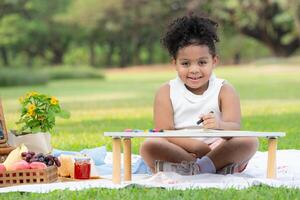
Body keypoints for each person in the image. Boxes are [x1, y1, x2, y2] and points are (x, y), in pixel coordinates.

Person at [139, 15, 258, 175]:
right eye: (185, 63)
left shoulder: (224, 89)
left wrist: (219, 125)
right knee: (149, 145)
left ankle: (198, 168)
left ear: (214, 61)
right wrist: (196, 147)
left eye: (202, 62)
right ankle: (209, 167)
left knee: (249, 141)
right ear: (174, 63)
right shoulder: (166, 91)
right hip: (182, 149)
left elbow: (234, 127)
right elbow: (164, 132)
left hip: (216, 148)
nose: (194, 70)